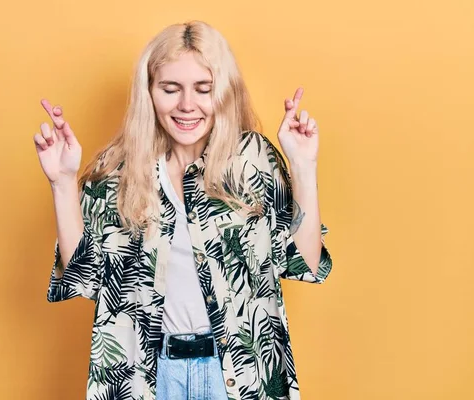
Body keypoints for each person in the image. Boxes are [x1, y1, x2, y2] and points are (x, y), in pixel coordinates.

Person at [34, 20, 333, 400]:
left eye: (203, 89)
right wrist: (62, 182)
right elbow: (84, 278)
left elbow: (305, 264)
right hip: (150, 377)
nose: (186, 105)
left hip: (239, 378)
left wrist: (304, 167)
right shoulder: (118, 171)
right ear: (149, 92)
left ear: (224, 93)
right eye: (170, 89)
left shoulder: (254, 160)